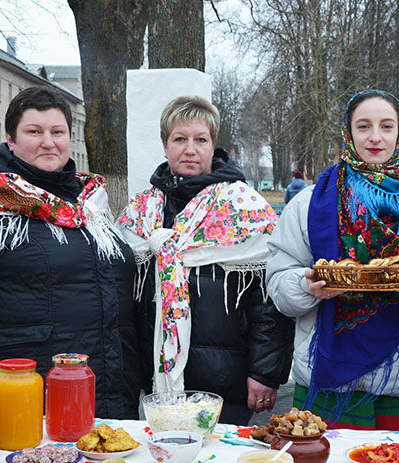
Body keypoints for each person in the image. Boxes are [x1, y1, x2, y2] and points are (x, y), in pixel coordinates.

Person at [0, 86, 141, 419]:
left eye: (57, 132)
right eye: (34, 131)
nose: (48, 142)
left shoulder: (91, 205)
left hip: (107, 390)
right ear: (10, 139)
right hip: (25, 398)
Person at [266, 89, 399, 430]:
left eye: (387, 126)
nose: (375, 137)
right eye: (363, 127)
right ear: (348, 133)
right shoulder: (309, 204)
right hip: (323, 377)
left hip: (397, 380)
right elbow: (278, 286)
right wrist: (307, 287)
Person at [118, 95, 294, 426]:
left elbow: (270, 304)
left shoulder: (245, 210)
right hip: (156, 387)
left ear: (213, 145)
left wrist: (265, 372)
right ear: (165, 145)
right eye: (179, 139)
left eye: (201, 139)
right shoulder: (139, 214)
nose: (190, 149)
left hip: (227, 386)